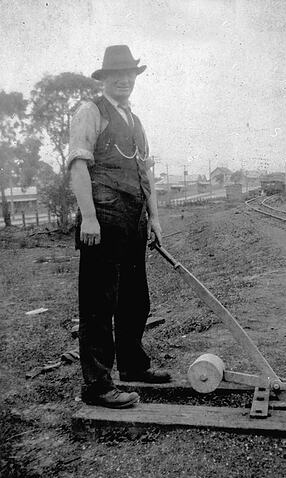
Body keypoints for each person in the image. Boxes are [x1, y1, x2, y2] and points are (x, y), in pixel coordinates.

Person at [68, 45, 171, 409]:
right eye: (117, 75)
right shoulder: (90, 111)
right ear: (105, 79)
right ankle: (97, 386)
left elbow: (145, 173)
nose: (124, 80)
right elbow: (78, 166)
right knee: (98, 304)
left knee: (135, 299)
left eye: (130, 74)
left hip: (134, 220)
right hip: (104, 219)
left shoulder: (135, 121)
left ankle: (132, 365)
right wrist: (90, 217)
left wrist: (155, 219)